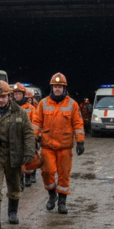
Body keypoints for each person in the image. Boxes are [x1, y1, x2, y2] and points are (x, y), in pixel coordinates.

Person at [0, 81, 35, 228]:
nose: (1, 100)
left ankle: (12, 213)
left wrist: (29, 151)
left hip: (14, 154)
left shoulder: (20, 112)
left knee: (14, 185)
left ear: (9, 96)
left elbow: (28, 133)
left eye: (4, 97)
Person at [33, 73, 85, 214]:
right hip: (47, 146)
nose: (57, 89)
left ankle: (62, 202)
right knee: (47, 172)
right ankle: (52, 196)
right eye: (55, 86)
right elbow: (37, 122)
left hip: (64, 146)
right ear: (51, 87)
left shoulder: (72, 104)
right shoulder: (43, 103)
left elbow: (78, 123)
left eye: (60, 87)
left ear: (64, 88)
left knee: (64, 174)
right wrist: (33, 138)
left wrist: (80, 141)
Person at [11, 83, 38, 187]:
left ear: (23, 95)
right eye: (15, 94)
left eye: (19, 94)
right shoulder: (10, 107)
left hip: (27, 138)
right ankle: (20, 179)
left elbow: (35, 123)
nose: (17, 96)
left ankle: (28, 177)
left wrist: (34, 137)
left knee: (29, 159)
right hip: (15, 139)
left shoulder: (31, 108)